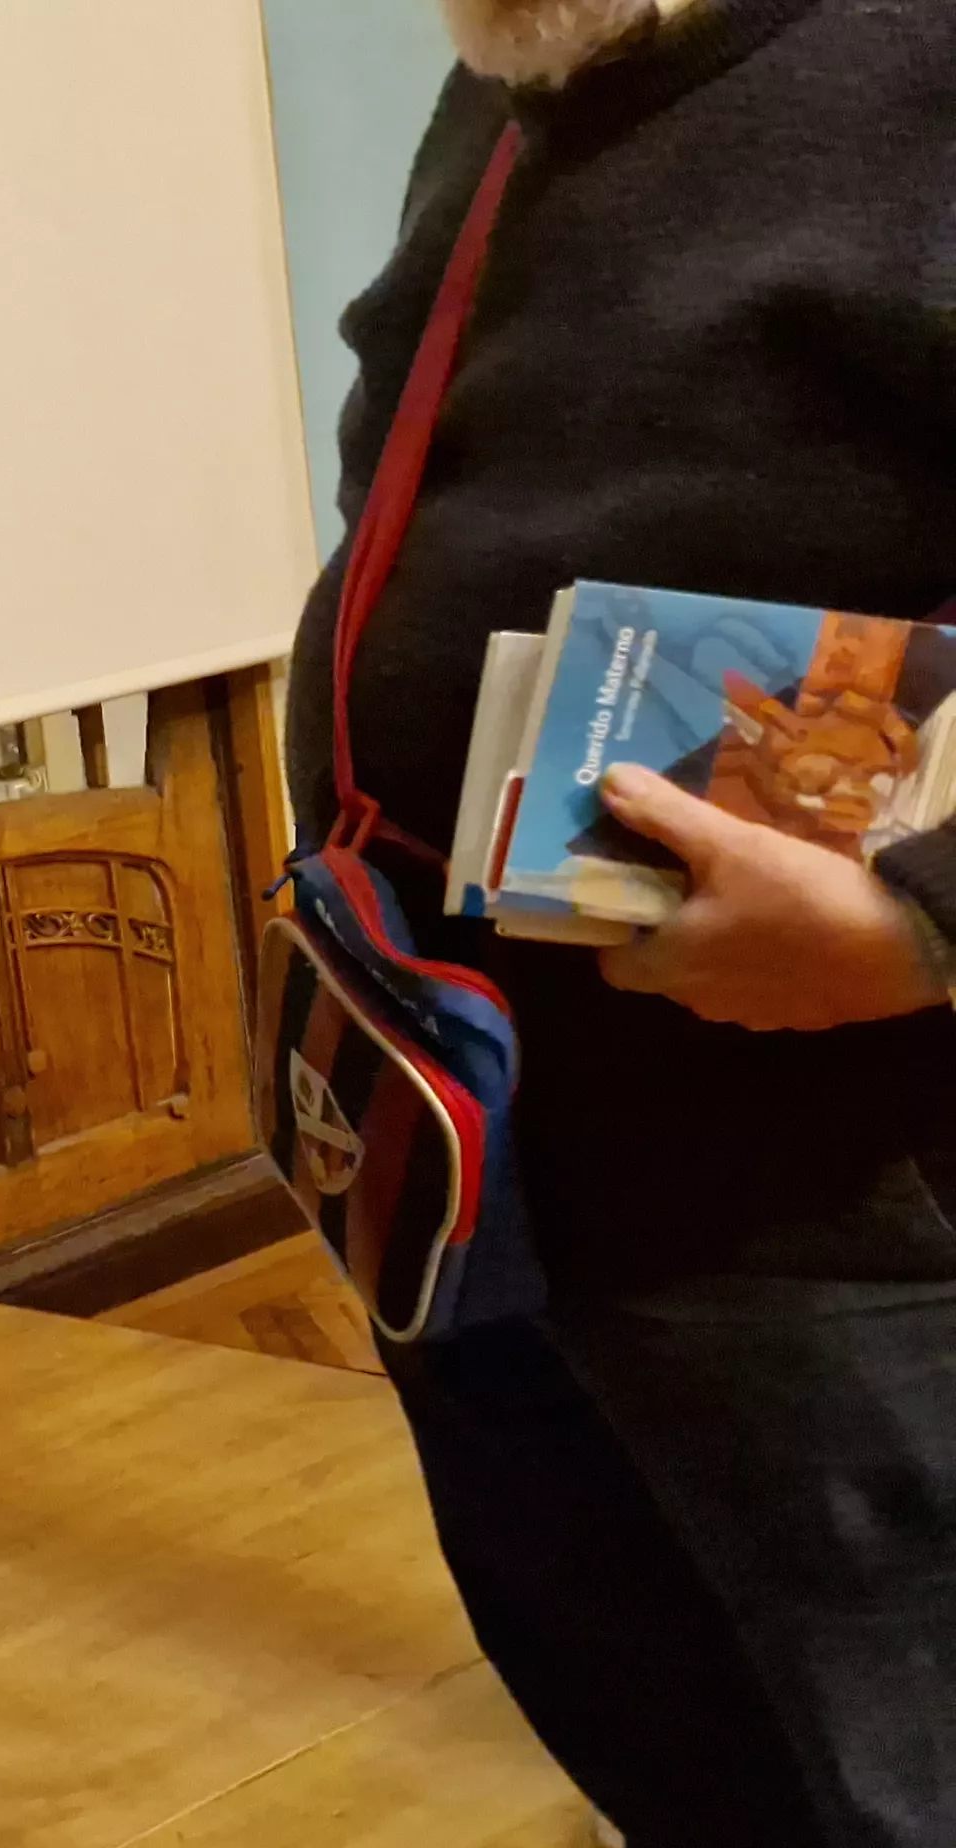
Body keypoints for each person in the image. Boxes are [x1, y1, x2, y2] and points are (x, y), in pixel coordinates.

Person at [289, 3, 956, 1841]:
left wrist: (922, 926)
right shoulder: (526, 65)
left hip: (833, 1218)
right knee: (665, 1736)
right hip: (497, 1159)